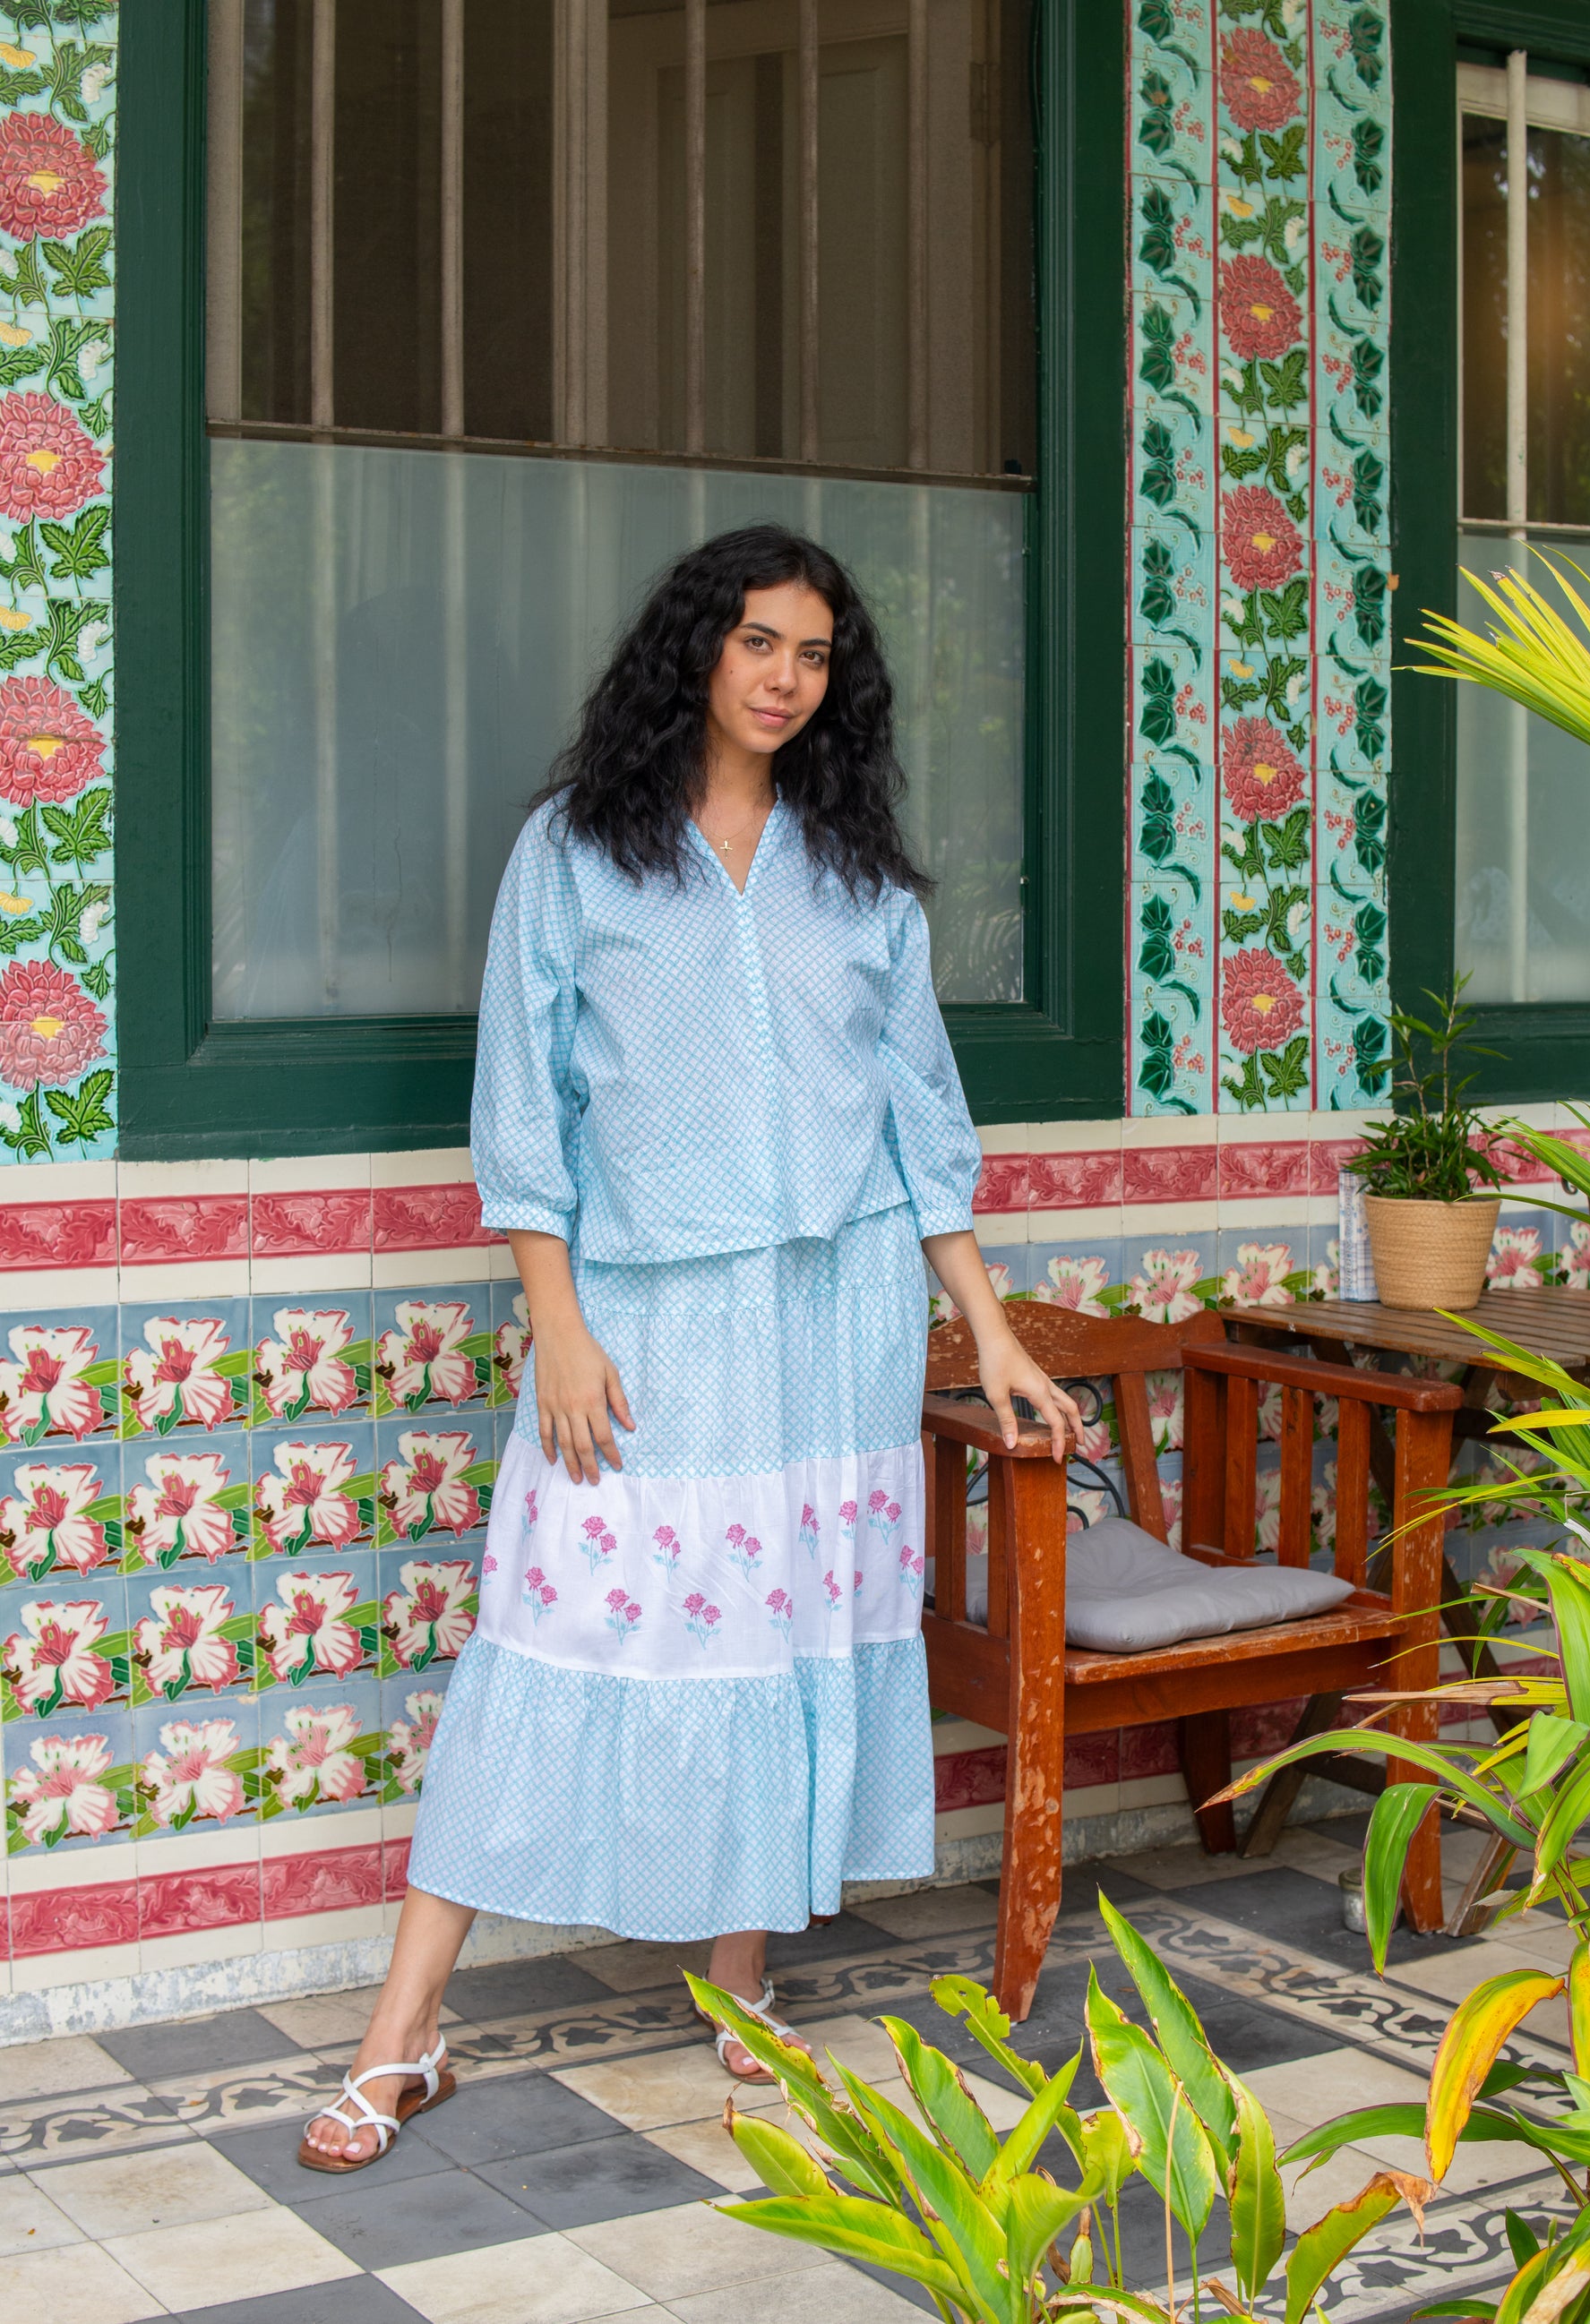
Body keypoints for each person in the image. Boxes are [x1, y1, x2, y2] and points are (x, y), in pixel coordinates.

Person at [299, 524, 1083, 2169]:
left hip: (831, 1319)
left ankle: (742, 1999)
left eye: (813, 654)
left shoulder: (857, 873)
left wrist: (990, 1335)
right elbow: (524, 1112)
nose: (785, 678)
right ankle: (401, 2035)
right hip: (645, 1316)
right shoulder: (577, 854)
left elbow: (917, 1128)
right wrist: (558, 1325)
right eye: (756, 644)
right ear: (694, 653)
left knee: (781, 1638)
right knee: (548, 1638)